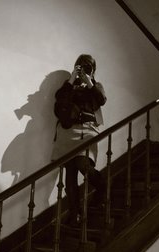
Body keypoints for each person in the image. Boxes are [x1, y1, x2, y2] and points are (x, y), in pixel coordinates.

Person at [51, 54, 107, 226]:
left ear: (93, 69)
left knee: (84, 164)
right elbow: (59, 98)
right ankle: (75, 213)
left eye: (88, 65)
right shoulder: (69, 85)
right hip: (68, 131)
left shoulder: (96, 86)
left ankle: (102, 188)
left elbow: (101, 100)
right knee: (69, 175)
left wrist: (89, 81)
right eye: (80, 65)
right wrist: (72, 78)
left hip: (87, 130)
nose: (83, 67)